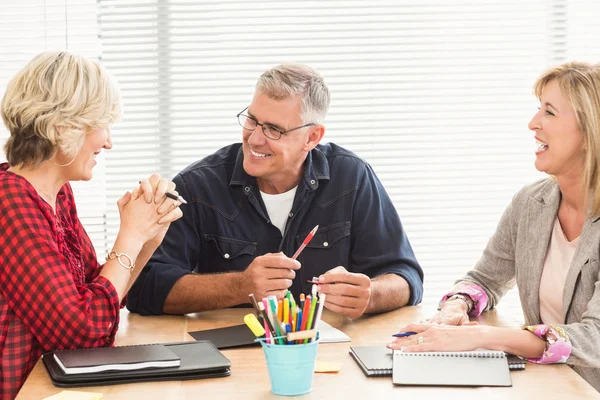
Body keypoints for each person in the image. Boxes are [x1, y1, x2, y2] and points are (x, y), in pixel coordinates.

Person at [127, 63, 424, 318]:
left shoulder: (352, 177)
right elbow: (144, 289)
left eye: (274, 129)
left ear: (312, 137)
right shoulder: (198, 185)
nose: (255, 139)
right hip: (229, 362)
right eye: (252, 120)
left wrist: (371, 295)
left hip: (329, 356)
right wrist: (240, 286)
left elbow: (407, 278)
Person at [388, 61, 600, 392]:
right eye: (537, 110)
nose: (533, 123)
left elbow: (595, 337)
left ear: (590, 132)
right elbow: (485, 279)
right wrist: (456, 306)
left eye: (550, 112)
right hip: (551, 386)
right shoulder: (532, 203)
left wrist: (482, 337)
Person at [0, 51, 183, 399]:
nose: (109, 141)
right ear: (62, 127)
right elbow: (81, 332)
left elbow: (100, 298)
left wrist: (148, 237)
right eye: (102, 124)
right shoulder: (9, 202)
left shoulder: (56, 194)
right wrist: (128, 235)